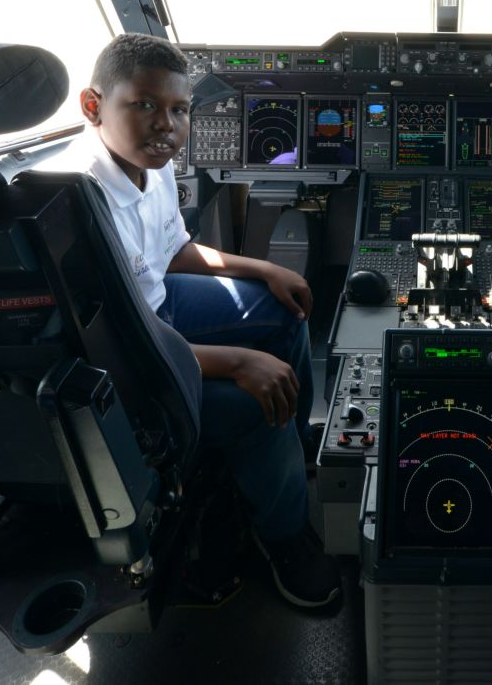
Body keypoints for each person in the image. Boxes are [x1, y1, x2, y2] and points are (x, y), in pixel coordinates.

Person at [53, 32, 340, 611]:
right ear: (93, 107)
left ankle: (294, 453)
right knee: (259, 402)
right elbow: (115, 350)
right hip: (127, 371)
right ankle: (283, 535)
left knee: (286, 310)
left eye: (179, 110)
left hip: (158, 313)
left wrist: (262, 270)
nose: (166, 125)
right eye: (145, 106)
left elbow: (176, 251)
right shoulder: (78, 204)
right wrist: (236, 361)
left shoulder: (151, 165)